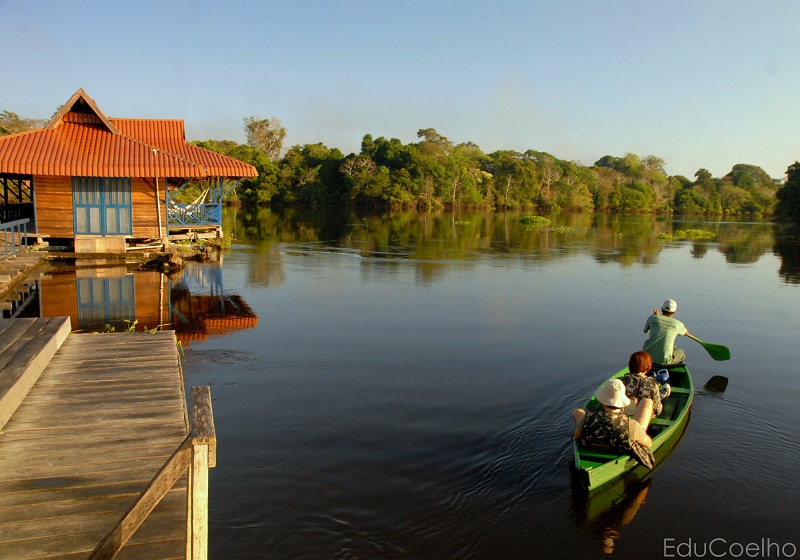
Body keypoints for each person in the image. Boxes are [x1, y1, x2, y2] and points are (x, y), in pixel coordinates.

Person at [572, 378, 652, 452]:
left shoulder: (587, 419)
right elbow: (649, 444)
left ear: (603, 401)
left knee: (577, 411)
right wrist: (640, 432)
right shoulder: (631, 425)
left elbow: (576, 436)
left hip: (591, 446)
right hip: (619, 450)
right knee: (647, 402)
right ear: (621, 402)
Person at [622, 351, 664, 431]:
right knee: (660, 398)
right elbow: (657, 409)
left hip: (624, 413)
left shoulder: (620, 381)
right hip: (645, 417)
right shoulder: (652, 383)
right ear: (647, 367)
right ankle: (664, 394)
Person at [643, 299, 690, 365]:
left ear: (662, 309)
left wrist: (654, 316)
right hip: (665, 361)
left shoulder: (652, 318)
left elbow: (645, 331)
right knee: (681, 353)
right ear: (674, 312)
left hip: (646, 357)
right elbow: (686, 333)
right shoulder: (678, 324)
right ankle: (672, 364)